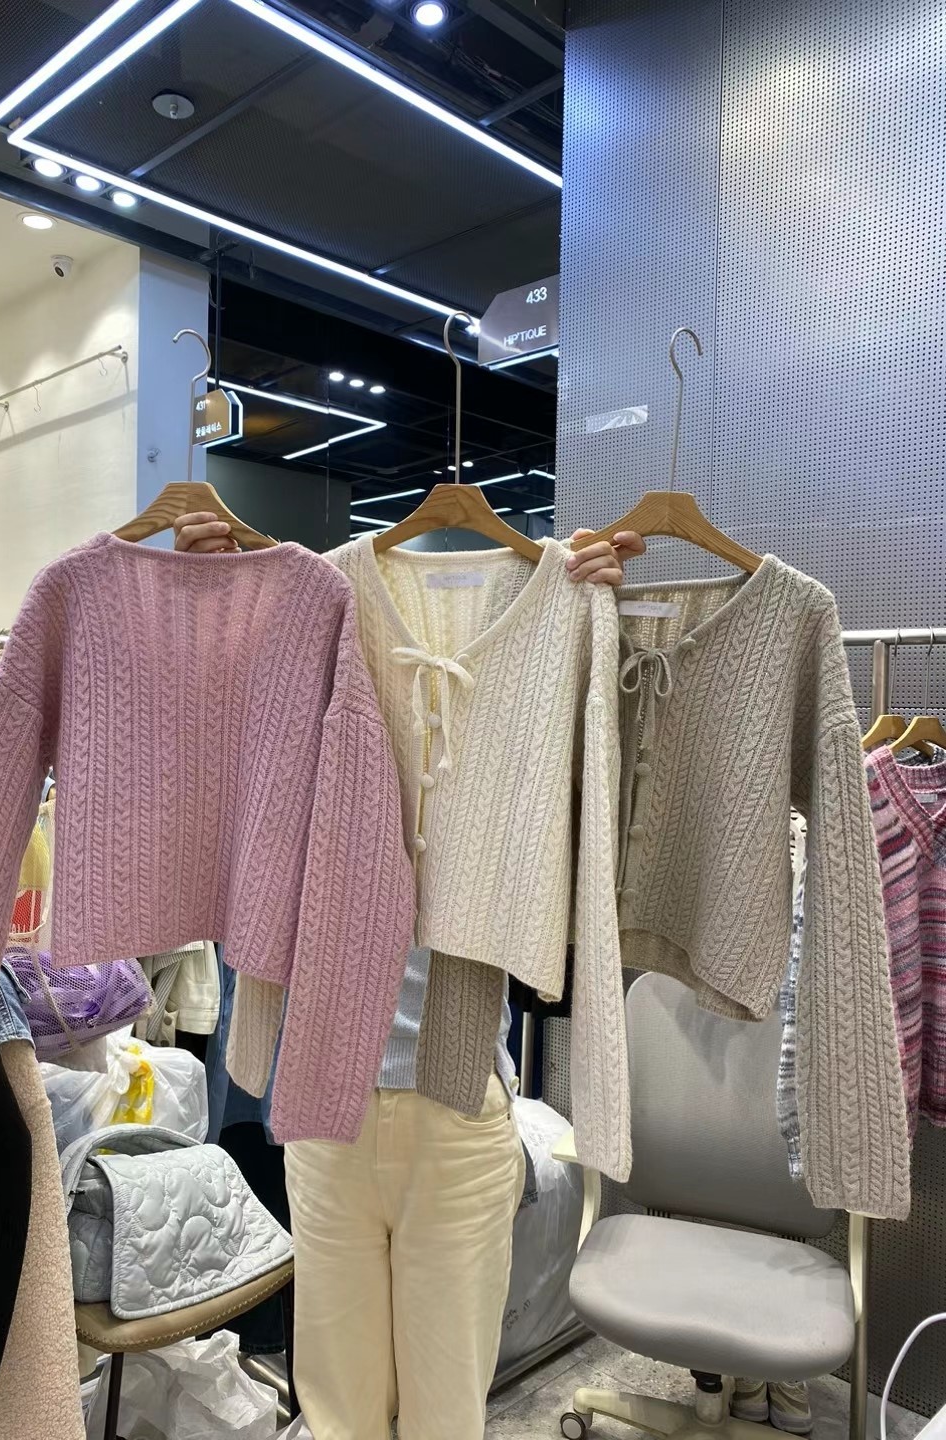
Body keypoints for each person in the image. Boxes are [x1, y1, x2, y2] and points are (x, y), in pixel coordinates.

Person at [174, 511, 646, 1440]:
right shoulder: (323, 606)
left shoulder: (547, 619)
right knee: (337, 1415)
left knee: (444, 1420)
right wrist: (215, 607)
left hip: (460, 1108)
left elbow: (608, 807)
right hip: (324, 1100)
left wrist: (607, 629)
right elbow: (226, 760)